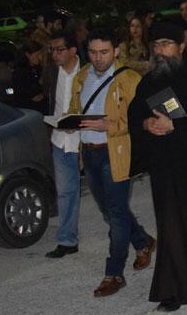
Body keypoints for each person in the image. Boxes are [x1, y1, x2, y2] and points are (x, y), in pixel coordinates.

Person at [128, 21, 187, 312]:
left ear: (181, 47)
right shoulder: (148, 82)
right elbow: (134, 114)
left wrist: (175, 127)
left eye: (166, 44)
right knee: (170, 226)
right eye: (156, 45)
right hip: (162, 165)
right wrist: (146, 123)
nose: (160, 51)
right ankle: (177, 286)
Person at [68, 28, 155, 297]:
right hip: (89, 152)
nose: (98, 58)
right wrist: (69, 120)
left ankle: (113, 273)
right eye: (93, 52)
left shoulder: (129, 79)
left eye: (104, 52)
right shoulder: (82, 76)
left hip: (115, 152)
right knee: (109, 210)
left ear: (116, 51)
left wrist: (110, 125)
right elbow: (75, 109)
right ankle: (142, 240)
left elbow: (141, 119)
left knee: (116, 214)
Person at [44, 31, 82, 259]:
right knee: (66, 192)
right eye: (52, 49)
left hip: (85, 141)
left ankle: (133, 236)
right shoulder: (51, 73)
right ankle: (67, 240)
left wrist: (77, 122)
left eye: (59, 49)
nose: (55, 54)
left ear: (73, 51)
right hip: (60, 140)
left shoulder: (87, 72)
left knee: (105, 196)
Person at [13, 40, 47, 113]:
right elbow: (23, 94)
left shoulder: (38, 68)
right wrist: (39, 83)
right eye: (37, 54)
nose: (40, 57)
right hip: (28, 110)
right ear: (28, 55)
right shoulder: (20, 71)